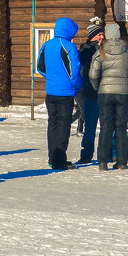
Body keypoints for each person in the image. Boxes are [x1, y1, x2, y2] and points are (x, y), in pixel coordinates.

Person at [89, 24, 128, 170]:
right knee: (121, 128)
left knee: (105, 128)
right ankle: (122, 162)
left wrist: (98, 87)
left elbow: (93, 75)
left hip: (104, 93)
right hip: (122, 93)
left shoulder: (100, 52)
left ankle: (103, 162)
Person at [36, 17, 82, 170]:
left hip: (51, 92)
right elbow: (74, 72)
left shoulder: (46, 45)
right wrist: (76, 87)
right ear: (69, 30)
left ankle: (52, 158)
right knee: (63, 126)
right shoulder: (68, 46)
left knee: (53, 125)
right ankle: (59, 160)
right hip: (65, 93)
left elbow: (40, 67)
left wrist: (51, 78)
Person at [76, 23, 105, 164]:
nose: (102, 36)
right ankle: (86, 154)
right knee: (90, 126)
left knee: (107, 126)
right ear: (92, 36)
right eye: (99, 34)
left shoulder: (105, 48)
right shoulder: (85, 50)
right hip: (90, 93)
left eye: (102, 34)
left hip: (104, 92)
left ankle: (108, 153)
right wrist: (98, 47)